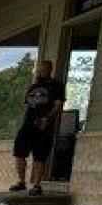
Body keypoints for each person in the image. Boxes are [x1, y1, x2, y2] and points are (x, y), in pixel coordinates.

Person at [11, 59, 65, 196]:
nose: (39, 71)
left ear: (49, 69)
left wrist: (47, 118)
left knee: (39, 156)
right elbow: (27, 107)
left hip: (44, 126)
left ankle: (36, 185)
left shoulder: (56, 86)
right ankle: (21, 182)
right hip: (27, 125)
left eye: (42, 69)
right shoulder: (32, 87)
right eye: (38, 69)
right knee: (19, 153)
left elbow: (58, 106)